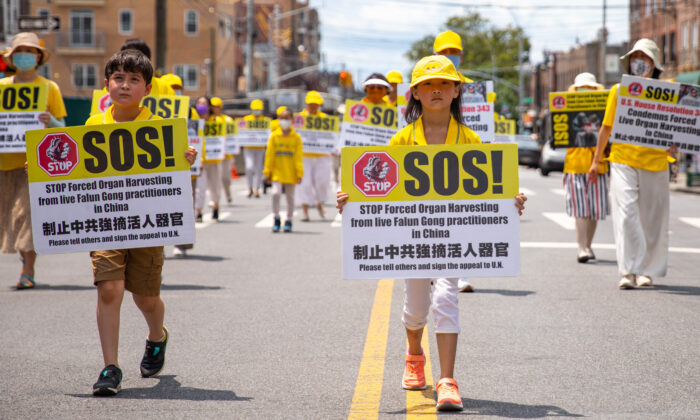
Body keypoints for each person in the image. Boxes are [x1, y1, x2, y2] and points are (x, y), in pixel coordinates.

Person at [337, 56, 527, 411]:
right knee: (415, 310)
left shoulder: (471, 139)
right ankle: (413, 354)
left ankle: (448, 380)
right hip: (412, 240)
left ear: (457, 91)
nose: (436, 89)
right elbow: (374, 188)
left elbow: (492, 191)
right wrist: (350, 199)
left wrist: (510, 201)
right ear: (415, 93)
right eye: (427, 84)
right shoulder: (401, 139)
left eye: (444, 83)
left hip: (452, 240)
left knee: (446, 300)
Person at [85, 49, 197, 396]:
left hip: (148, 224)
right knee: (109, 288)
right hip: (106, 222)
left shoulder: (161, 128)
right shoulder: (92, 126)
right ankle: (110, 368)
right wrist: (41, 175)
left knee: (146, 298)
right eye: (118, 78)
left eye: (134, 80)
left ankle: (156, 336)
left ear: (147, 89)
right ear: (106, 85)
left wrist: (185, 161)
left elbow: (174, 184)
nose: (125, 85)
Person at [588, 39, 676, 289]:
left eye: (645, 57)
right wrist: (596, 162)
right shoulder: (618, 91)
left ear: (653, 64)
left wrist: (674, 145)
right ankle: (628, 270)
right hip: (622, 159)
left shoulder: (668, 93)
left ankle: (647, 270)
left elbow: (676, 130)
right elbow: (606, 128)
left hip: (656, 162)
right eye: (636, 56)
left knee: (652, 220)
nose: (639, 61)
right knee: (626, 214)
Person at [0, 32, 67, 289]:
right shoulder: (2, 87)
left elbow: (63, 126)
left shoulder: (50, 88)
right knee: (10, 218)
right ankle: (25, 256)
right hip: (5, 163)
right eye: (19, 51)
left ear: (38, 57)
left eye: (29, 51)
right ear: (11, 57)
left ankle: (27, 270)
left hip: (36, 163)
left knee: (29, 215)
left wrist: (51, 122)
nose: (24, 56)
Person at [434, 29, 474, 293]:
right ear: (435, 54)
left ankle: (458, 275)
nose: (450, 56)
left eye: (454, 52)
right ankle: (430, 268)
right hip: (429, 157)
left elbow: (485, 125)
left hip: (464, 156)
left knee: (462, 218)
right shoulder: (424, 83)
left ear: (461, 55)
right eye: (445, 52)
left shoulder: (474, 87)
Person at [563, 73, 610, 263]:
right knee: (580, 209)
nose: (586, 91)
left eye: (589, 88)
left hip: (598, 164)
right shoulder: (568, 109)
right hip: (575, 165)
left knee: (594, 209)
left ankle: (588, 246)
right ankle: (581, 248)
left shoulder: (603, 108)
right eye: (582, 88)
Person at [161, 74, 199, 257]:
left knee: (184, 204)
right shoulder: (152, 112)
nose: (175, 91)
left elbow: (198, 137)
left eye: (178, 87)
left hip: (184, 163)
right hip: (161, 165)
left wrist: (199, 162)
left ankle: (182, 243)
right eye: (171, 87)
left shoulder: (191, 111)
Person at [263, 109, 303, 233]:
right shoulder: (274, 136)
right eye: (282, 118)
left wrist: (299, 173)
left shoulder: (296, 137)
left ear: (291, 119)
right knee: (276, 193)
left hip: (291, 171)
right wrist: (267, 172)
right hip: (277, 171)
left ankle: (289, 220)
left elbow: (298, 157)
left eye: (287, 117)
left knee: (290, 197)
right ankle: (276, 218)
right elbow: (269, 155)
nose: (284, 120)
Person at [298, 91, 331, 221]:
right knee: (304, 184)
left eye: (316, 104)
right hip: (304, 156)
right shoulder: (299, 118)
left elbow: (331, 137)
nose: (313, 106)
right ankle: (305, 212)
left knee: (322, 181)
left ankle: (319, 203)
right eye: (311, 104)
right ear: (307, 104)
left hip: (321, 156)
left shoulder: (325, 118)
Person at [210, 97, 235, 205]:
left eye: (217, 106)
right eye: (213, 106)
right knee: (215, 179)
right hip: (213, 155)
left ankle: (228, 194)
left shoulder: (228, 120)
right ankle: (215, 200)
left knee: (225, 178)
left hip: (226, 155)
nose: (215, 108)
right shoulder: (208, 120)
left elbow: (233, 137)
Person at [244, 99, 267, 198]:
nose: (257, 111)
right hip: (248, 148)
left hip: (260, 148)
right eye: (255, 109)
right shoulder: (246, 119)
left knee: (259, 169)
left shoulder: (266, 121)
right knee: (249, 167)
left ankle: (257, 189)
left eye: (258, 109)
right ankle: (249, 187)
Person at [193, 96, 211, 222]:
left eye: (204, 103)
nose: (201, 105)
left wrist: (202, 159)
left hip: (207, 159)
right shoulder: (191, 119)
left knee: (201, 187)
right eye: (199, 103)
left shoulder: (212, 121)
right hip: (193, 158)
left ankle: (199, 210)